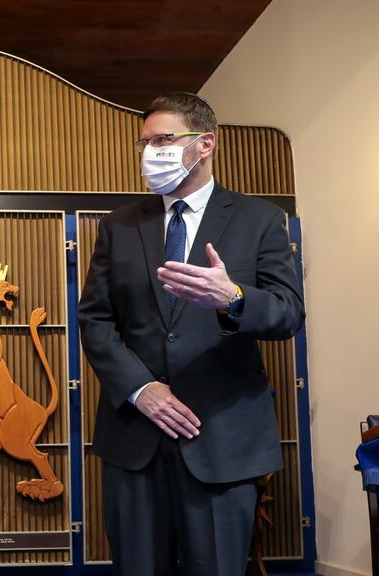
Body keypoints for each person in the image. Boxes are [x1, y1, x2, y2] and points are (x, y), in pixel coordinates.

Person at [78, 92, 304, 575]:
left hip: (223, 440)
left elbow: (288, 314)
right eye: (144, 142)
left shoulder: (259, 219)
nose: (149, 152)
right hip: (136, 438)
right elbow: (95, 319)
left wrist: (234, 299)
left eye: (162, 139)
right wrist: (141, 390)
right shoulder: (119, 226)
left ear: (205, 143)